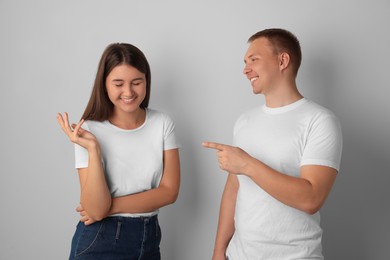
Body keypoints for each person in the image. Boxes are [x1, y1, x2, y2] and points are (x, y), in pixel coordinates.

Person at [203, 28, 343, 259]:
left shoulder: (319, 120)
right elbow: (233, 189)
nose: (246, 69)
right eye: (245, 62)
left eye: (254, 60)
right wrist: (219, 251)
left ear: (282, 60)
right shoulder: (244, 121)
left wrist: (247, 164)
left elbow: (311, 198)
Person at [57, 43, 180, 260]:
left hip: (149, 239)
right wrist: (94, 150)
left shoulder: (162, 123)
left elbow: (170, 192)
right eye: (118, 83)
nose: (128, 92)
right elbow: (94, 210)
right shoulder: (89, 131)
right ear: (104, 85)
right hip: (100, 240)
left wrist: (108, 207)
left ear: (146, 81)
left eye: (136, 82)